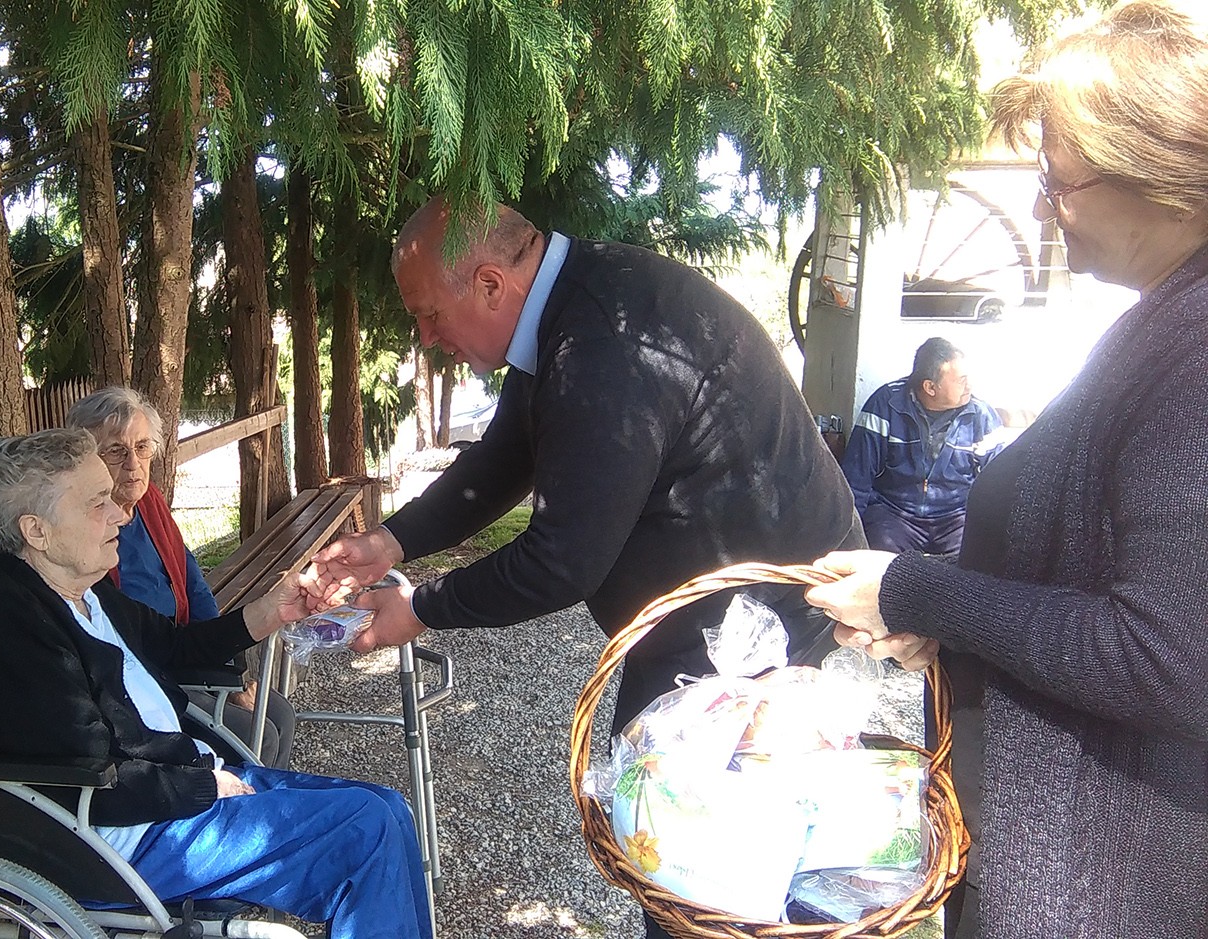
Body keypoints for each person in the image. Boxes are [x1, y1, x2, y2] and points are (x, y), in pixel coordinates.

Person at [804, 3, 1208, 936]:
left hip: (1102, 893)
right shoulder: (1162, 325)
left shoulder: (1196, 353)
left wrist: (917, 591)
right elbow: (1084, 581)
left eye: (1058, 182)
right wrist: (944, 620)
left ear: (1162, 175)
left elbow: (1169, 659)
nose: (1038, 208)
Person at [313, 197, 864, 743]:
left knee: (666, 795)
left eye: (430, 314)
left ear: (490, 285)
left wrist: (421, 608)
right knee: (635, 786)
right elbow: (506, 457)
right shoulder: (566, 307)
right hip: (696, 625)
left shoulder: (599, 343)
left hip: (766, 626)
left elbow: (562, 561)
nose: (427, 338)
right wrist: (391, 541)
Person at [0, 428, 432, 939]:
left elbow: (175, 646)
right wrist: (200, 786)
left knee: (389, 808)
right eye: (96, 503)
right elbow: (80, 768)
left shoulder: (85, 590)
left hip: (175, 792)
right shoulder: (5, 618)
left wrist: (274, 609)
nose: (121, 515)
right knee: (365, 828)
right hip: (121, 835)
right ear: (37, 531)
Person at [66, 386, 297, 769]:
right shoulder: (85, 530)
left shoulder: (149, 503)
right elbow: (114, 637)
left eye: (142, 447)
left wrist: (228, 671)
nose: (133, 464)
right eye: (115, 451)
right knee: (257, 733)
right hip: (148, 672)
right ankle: (240, 803)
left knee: (281, 714)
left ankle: (272, 800)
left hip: (183, 649)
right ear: (87, 459)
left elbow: (193, 583)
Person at [840, 337, 1008, 556]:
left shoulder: (981, 415)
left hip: (956, 517)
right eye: (961, 380)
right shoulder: (886, 404)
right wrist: (847, 540)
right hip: (895, 515)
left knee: (970, 561)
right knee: (883, 559)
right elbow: (857, 476)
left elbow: (1002, 482)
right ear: (930, 387)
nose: (970, 386)